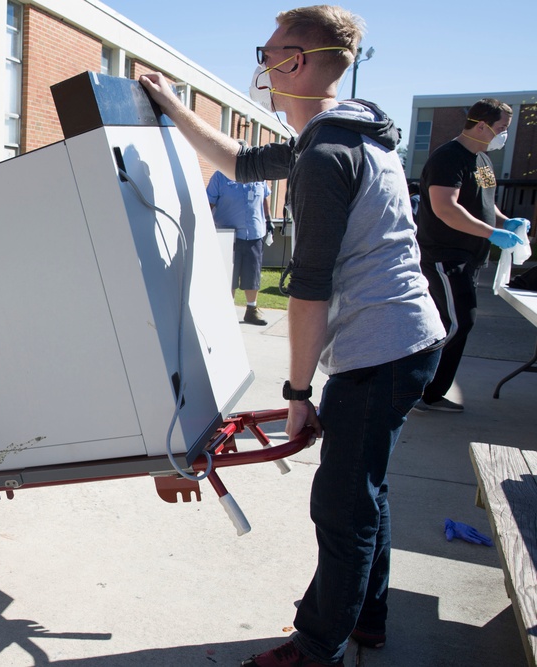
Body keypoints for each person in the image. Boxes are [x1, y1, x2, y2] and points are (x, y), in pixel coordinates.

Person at [140, 5, 445, 666]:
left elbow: (310, 289)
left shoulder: (328, 152)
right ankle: (367, 616)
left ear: (297, 62)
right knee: (365, 487)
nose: (263, 65)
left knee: (340, 506)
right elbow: (238, 160)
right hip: (402, 342)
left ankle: (317, 645)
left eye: (270, 51)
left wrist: (298, 390)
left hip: (384, 349)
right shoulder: (338, 133)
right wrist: (168, 105)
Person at [414, 99, 529, 413]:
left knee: (454, 322)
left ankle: (429, 393)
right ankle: (421, 391)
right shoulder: (448, 158)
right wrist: (491, 234)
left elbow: (486, 202)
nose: (504, 134)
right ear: (482, 125)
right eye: (502, 128)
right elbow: (446, 208)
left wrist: (506, 223)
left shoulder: (483, 160)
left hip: (470, 257)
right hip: (445, 255)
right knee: (457, 323)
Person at [206, 164, 273, 325]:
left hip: (254, 233)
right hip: (229, 235)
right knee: (229, 275)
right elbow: (209, 202)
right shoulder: (220, 176)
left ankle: (252, 310)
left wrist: (269, 220)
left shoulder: (258, 175)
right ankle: (227, 311)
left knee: (253, 273)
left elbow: (264, 198)